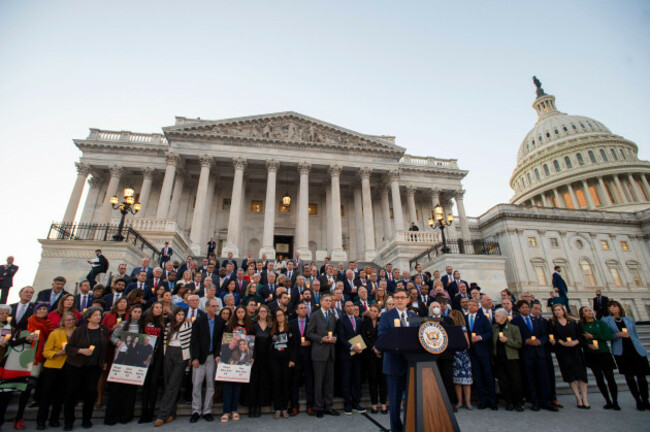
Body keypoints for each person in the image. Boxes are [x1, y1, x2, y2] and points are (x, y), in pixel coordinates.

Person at [377, 289, 419, 432]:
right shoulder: (386, 316)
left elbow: (418, 336)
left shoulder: (414, 316)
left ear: (408, 299)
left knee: (413, 399)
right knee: (394, 402)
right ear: (393, 300)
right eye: (397, 298)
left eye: (402, 297)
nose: (399, 300)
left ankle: (411, 426)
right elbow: (382, 336)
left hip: (412, 364)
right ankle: (396, 428)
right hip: (393, 364)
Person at [63, 307, 110, 430]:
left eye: (99, 315)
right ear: (88, 317)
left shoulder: (103, 330)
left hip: (94, 367)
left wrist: (103, 361)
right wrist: (81, 350)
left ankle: (86, 419)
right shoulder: (79, 331)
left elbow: (105, 347)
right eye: (95, 315)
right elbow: (69, 348)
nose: (98, 317)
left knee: (90, 393)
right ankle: (69, 421)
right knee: (71, 394)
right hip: (77, 366)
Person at [602, 300, 650, 410]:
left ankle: (646, 400)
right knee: (629, 377)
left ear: (619, 307)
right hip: (622, 352)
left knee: (642, 377)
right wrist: (617, 335)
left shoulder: (629, 319)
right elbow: (607, 335)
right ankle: (638, 401)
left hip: (635, 350)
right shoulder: (606, 321)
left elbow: (635, 335)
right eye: (610, 307)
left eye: (615, 306)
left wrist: (640, 346)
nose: (613, 308)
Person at [512, 300, 558, 412]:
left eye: (527, 307)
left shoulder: (537, 320)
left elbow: (544, 334)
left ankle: (546, 401)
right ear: (519, 309)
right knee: (530, 378)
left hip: (539, 352)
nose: (525, 309)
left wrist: (540, 341)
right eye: (523, 307)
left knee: (544, 378)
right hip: (526, 353)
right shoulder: (515, 321)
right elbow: (515, 337)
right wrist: (525, 341)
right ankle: (535, 401)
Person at [104, 304, 144, 425]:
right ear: (131, 312)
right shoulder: (122, 324)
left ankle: (126, 415)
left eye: (139, 312)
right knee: (116, 389)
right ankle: (112, 416)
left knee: (130, 390)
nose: (137, 314)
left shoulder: (143, 327)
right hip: (121, 359)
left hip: (134, 360)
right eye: (135, 311)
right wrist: (118, 342)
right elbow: (113, 337)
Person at [37, 311, 76, 429]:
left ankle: (54, 419)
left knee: (61, 395)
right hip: (53, 365)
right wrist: (57, 353)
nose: (70, 322)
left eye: (72, 320)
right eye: (67, 320)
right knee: (47, 394)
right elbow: (46, 351)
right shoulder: (55, 333)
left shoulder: (78, 332)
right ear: (63, 322)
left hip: (69, 366)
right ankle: (41, 420)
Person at [155, 307, 193, 426]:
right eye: (179, 314)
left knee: (173, 384)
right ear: (175, 315)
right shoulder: (168, 326)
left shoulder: (188, 325)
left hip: (181, 354)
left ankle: (162, 414)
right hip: (169, 353)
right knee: (168, 383)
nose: (181, 317)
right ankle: (171, 412)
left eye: (182, 314)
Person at [189, 298, 224, 423]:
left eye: (216, 306)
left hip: (212, 357)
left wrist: (217, 354)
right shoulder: (199, 321)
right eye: (213, 306)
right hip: (200, 356)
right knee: (197, 384)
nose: (215, 308)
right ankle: (196, 410)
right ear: (207, 307)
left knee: (210, 385)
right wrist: (195, 357)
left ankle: (207, 410)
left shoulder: (220, 321)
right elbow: (194, 340)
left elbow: (220, 340)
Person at [548, 304, 589, 408]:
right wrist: (562, 343)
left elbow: (580, 335)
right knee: (570, 375)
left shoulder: (572, 322)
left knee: (581, 375)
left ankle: (585, 398)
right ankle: (578, 398)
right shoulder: (553, 323)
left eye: (559, 310)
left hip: (576, 350)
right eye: (555, 310)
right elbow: (553, 336)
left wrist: (576, 342)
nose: (557, 312)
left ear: (563, 310)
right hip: (563, 352)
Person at [578, 306, 619, 410]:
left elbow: (608, 335)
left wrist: (593, 337)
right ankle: (608, 401)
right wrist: (588, 345)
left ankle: (615, 401)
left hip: (603, 352)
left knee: (610, 377)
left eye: (590, 310)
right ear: (583, 315)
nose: (589, 312)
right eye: (586, 311)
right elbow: (582, 340)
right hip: (591, 354)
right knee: (599, 378)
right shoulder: (582, 326)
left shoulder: (600, 323)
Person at [306, 293, 338, 418]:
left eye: (331, 300)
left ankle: (329, 406)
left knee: (329, 382)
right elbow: (309, 333)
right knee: (319, 382)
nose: (329, 302)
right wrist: (321, 339)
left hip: (330, 352)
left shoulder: (332, 315)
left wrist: (335, 338)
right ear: (322, 301)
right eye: (327, 300)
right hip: (319, 353)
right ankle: (318, 407)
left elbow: (335, 332)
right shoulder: (315, 315)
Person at [220, 306, 254, 423]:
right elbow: (224, 342)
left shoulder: (249, 326)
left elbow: (252, 344)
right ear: (235, 313)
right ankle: (226, 411)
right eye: (238, 312)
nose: (241, 314)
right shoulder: (229, 326)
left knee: (238, 386)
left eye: (242, 312)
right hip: (229, 358)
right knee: (227, 385)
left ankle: (234, 410)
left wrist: (252, 357)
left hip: (243, 358)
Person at [465, 298, 496, 410]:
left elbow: (489, 333)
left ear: (478, 307)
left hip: (483, 350)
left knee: (488, 375)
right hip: (472, 351)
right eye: (470, 305)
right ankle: (482, 400)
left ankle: (492, 400)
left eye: (474, 305)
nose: (472, 306)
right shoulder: (465, 318)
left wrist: (481, 337)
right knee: (477, 377)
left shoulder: (483, 318)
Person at [492, 308, 524, 411]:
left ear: (504, 317)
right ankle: (508, 401)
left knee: (515, 380)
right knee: (503, 381)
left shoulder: (514, 328)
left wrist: (507, 340)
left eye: (497, 316)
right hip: (499, 359)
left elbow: (519, 343)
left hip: (511, 358)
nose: (495, 317)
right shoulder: (494, 328)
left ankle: (518, 402)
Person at [360, 304, 387, 414]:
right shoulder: (365, 323)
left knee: (382, 380)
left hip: (382, 354)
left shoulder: (383, 322)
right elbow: (363, 336)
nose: (372, 313)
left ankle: (384, 404)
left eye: (375, 311)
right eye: (371, 311)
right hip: (370, 354)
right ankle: (374, 404)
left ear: (379, 312)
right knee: (372, 380)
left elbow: (385, 335)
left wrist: (379, 347)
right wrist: (373, 347)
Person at [289, 302, 314, 416]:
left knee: (310, 382)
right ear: (297, 311)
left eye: (305, 308)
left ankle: (310, 406)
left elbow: (315, 335)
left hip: (309, 356)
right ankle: (294, 406)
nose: (304, 310)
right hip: (296, 357)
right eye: (301, 308)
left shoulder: (311, 321)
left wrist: (310, 342)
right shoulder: (291, 323)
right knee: (294, 383)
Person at [270, 308, 296, 418]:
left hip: (286, 360)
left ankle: (284, 408)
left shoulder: (290, 328)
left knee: (286, 384)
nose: (280, 317)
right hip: (275, 360)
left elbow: (294, 346)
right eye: (278, 315)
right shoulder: (272, 329)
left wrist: (292, 359)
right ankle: (277, 408)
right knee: (276, 384)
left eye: (281, 315)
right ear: (275, 318)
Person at [247, 305, 272, 417]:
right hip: (254, 358)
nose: (263, 313)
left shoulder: (271, 326)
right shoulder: (253, 326)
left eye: (265, 311)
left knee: (263, 381)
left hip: (266, 358)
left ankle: (260, 405)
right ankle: (252, 405)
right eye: (261, 312)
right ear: (257, 314)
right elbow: (250, 341)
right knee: (253, 382)